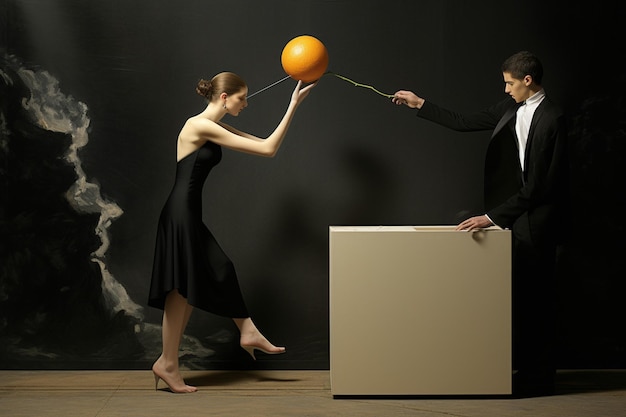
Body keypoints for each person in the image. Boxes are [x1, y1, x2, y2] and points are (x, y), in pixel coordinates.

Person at [392, 51, 569, 397]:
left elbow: (543, 185)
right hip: (516, 219)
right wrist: (419, 103)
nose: (506, 90)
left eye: (510, 83)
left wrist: (491, 217)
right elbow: (462, 121)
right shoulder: (509, 109)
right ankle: (523, 373)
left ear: (527, 81)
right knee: (518, 300)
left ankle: (541, 380)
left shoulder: (554, 117)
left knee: (539, 302)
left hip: (539, 221)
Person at [148, 72, 316, 393]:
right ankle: (176, 360)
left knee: (195, 284)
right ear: (224, 97)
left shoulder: (216, 127)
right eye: (242, 98)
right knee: (187, 286)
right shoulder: (198, 125)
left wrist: (292, 105)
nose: (246, 103)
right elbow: (268, 150)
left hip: (186, 213)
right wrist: (292, 105)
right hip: (180, 213)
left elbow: (264, 144)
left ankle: (172, 361)